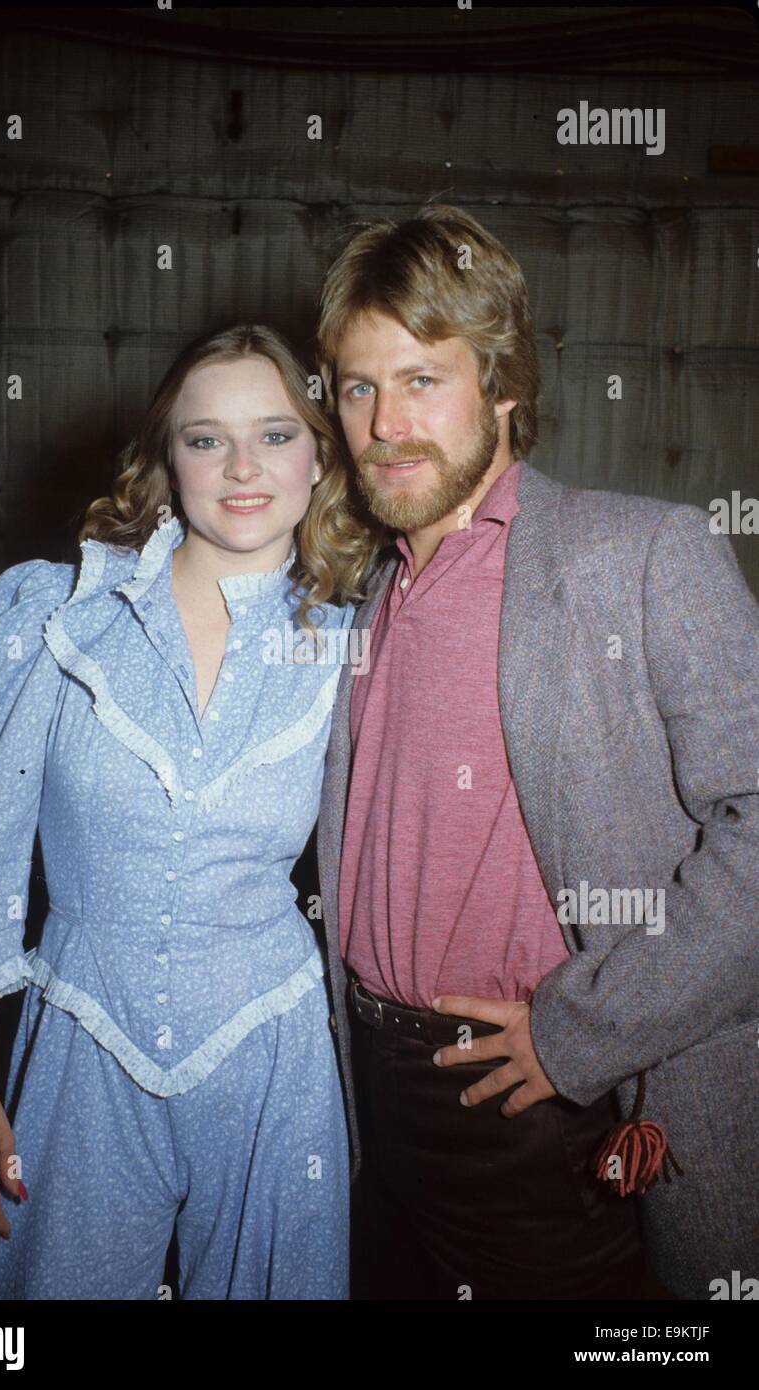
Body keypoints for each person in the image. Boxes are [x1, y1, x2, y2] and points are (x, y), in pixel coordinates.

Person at [313, 203, 759, 1300]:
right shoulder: (352, 597)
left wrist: (578, 1032)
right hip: (368, 1101)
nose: (384, 422)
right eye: (359, 387)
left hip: (545, 1101)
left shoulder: (642, 554)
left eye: (423, 378)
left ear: (504, 386)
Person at [0, 323, 382, 1300]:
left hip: (275, 1056)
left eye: (274, 433)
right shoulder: (53, 612)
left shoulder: (354, 639)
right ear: (166, 458)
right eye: (205, 436)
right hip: (85, 1037)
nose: (241, 466)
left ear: (319, 457)